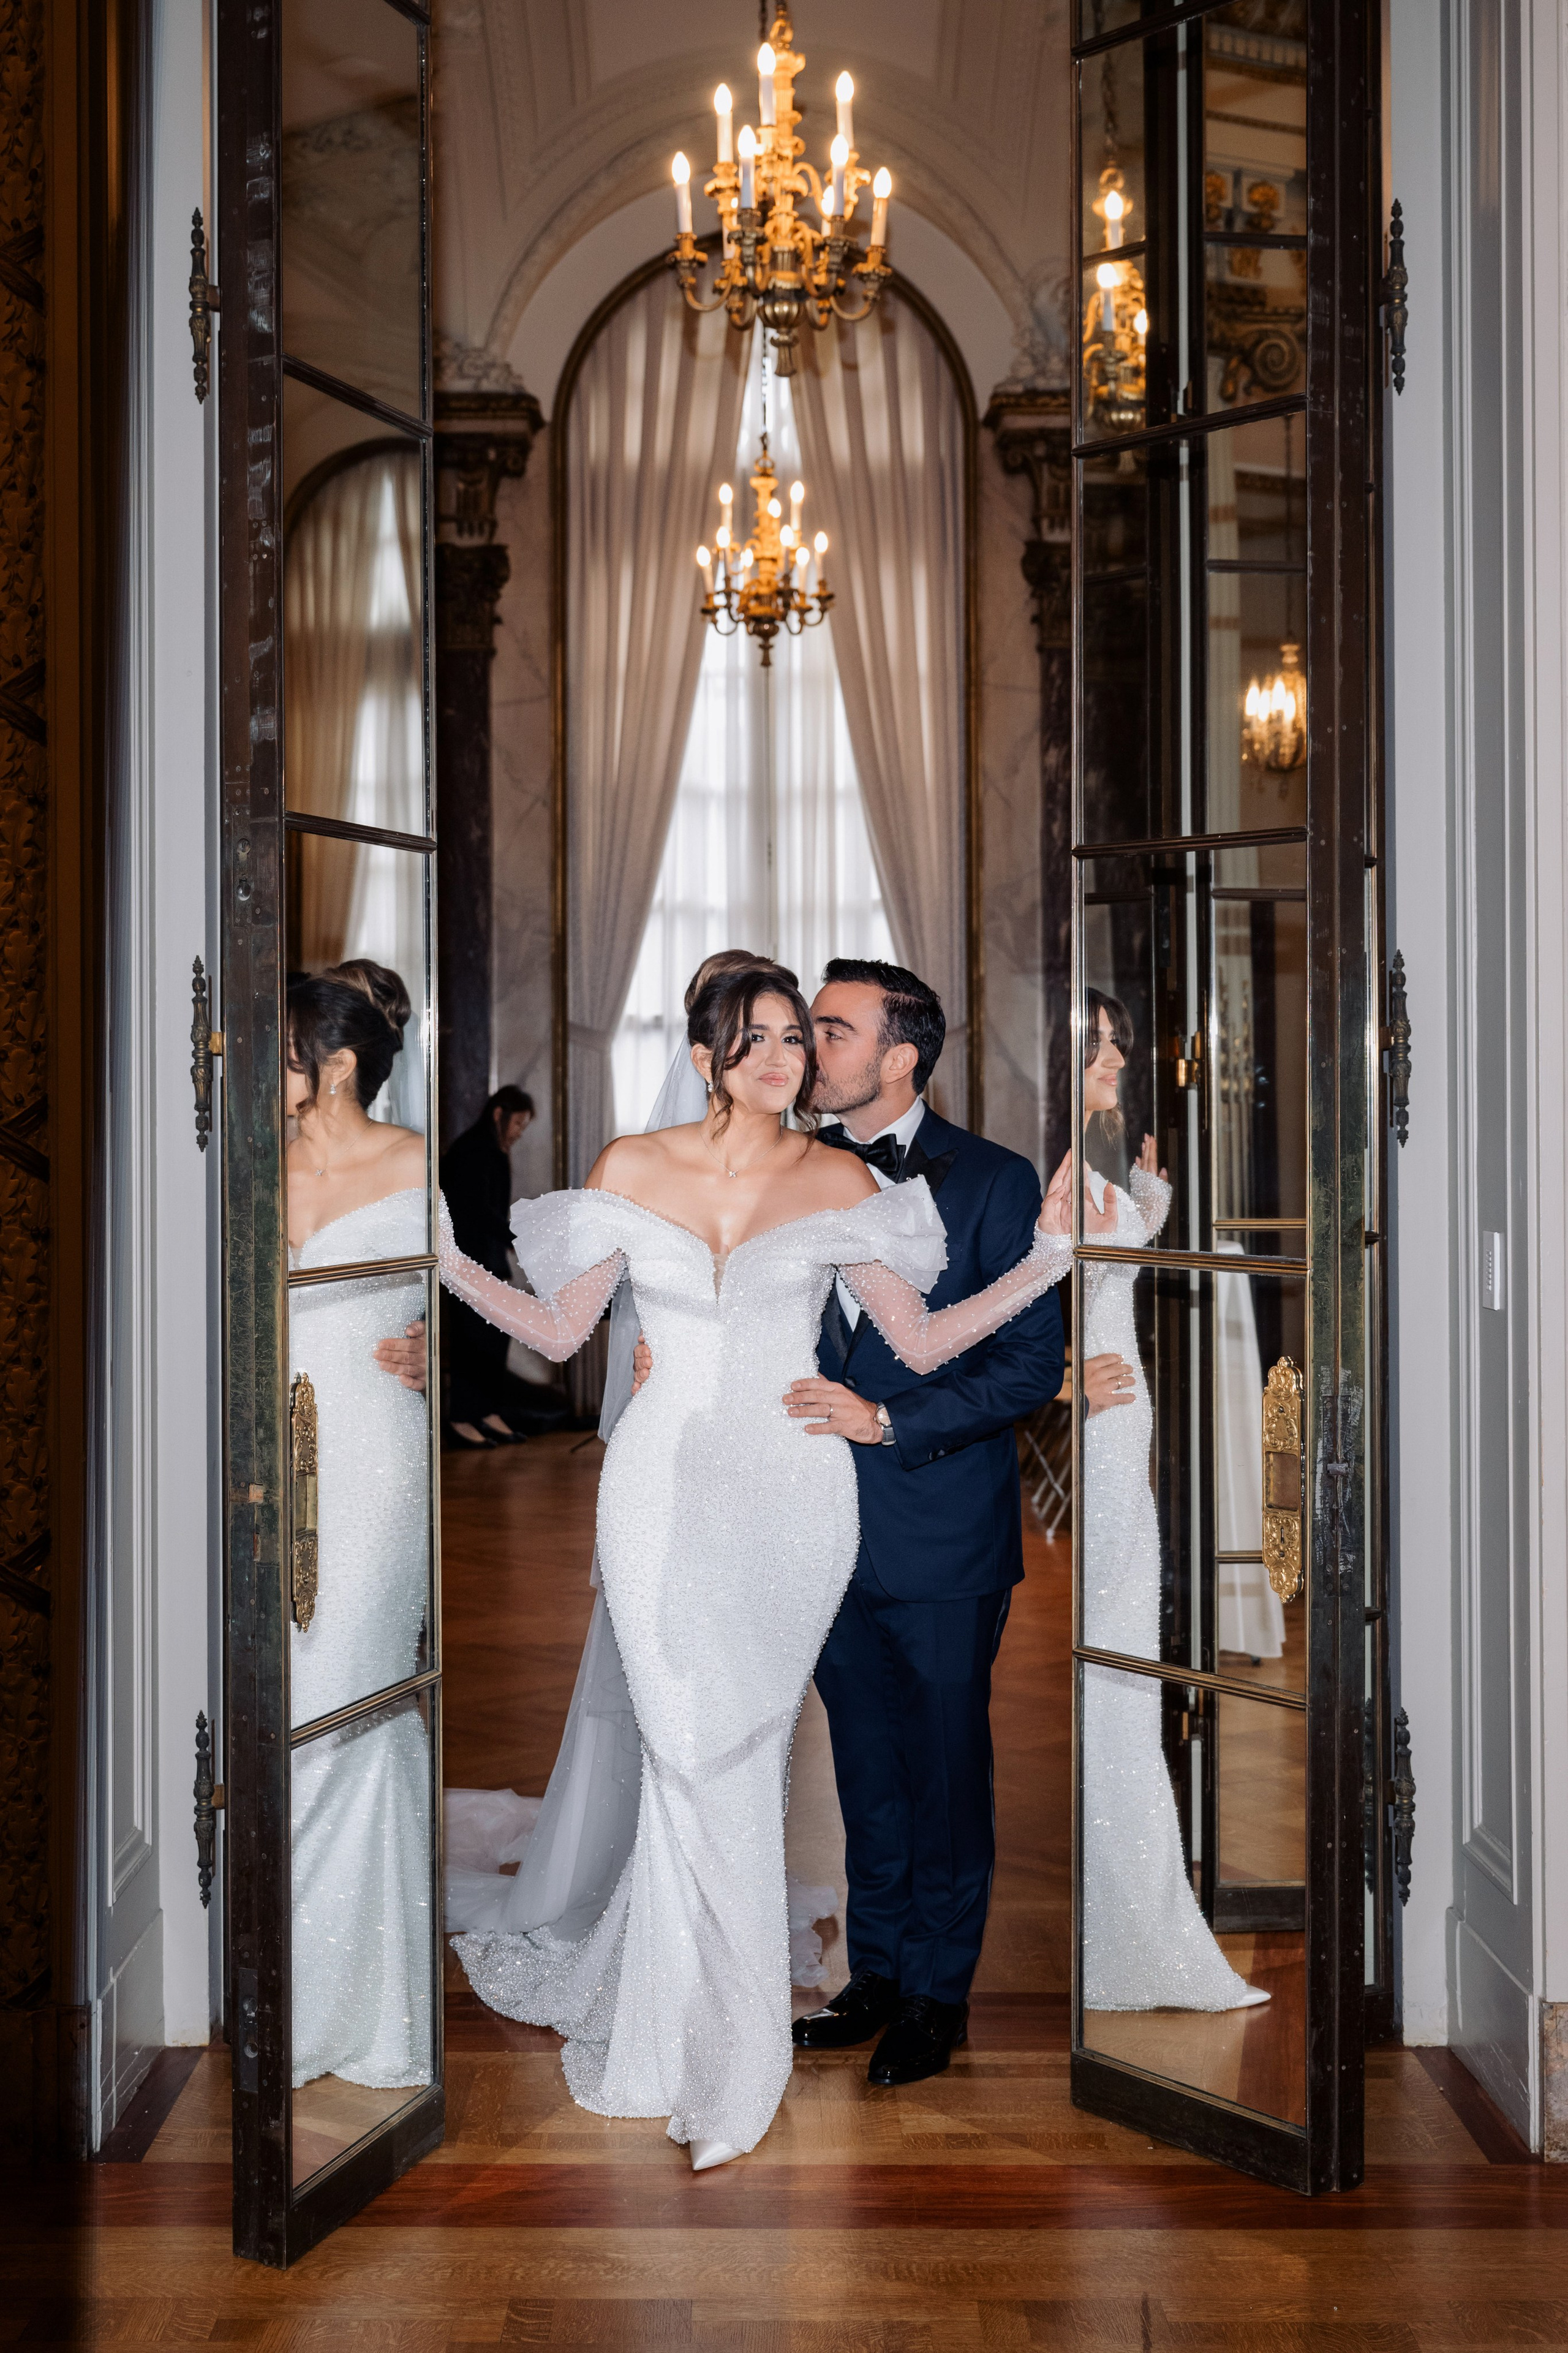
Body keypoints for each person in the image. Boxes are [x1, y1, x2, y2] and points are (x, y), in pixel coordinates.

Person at [431, 965, 1070, 2170]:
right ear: (702, 1054)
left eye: (806, 1034)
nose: (787, 1054)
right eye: (762, 1036)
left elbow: (929, 1342)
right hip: (662, 1493)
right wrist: (448, 1259)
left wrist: (1048, 1261)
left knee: (763, 1755)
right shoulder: (630, 1165)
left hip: (809, 1504)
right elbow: (565, 1333)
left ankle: (781, 2032)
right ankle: (715, 2013)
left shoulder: (853, 1182)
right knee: (688, 1751)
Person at [778, 959, 1067, 2087]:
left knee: (946, 1770)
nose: (810, 1048)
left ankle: (938, 1999)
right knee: (864, 1765)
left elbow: (1027, 1367)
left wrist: (890, 1421)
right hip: (815, 1526)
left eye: (833, 1031)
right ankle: (878, 1974)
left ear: (899, 1056)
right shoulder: (789, 1171)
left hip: (941, 1529)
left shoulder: (995, 1182)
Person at [1039, 989, 1267, 2014]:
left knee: (1128, 1647)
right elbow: (1025, 1298)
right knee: (1119, 1658)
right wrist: (1059, 1382)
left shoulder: (1097, 1167)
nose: (1118, 1054)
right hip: (1105, 1410)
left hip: (1127, 1418)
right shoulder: (1060, 1179)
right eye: (1097, 1044)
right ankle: (1132, 1922)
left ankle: (1134, 1910)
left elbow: (1110, 1264)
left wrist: (1150, 1199)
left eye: (1117, 1038)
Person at [285, 959, 435, 2095]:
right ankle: (290, 1981)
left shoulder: (417, 1161)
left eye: (287, 1049)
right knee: (282, 1702)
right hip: (266, 1462)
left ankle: (353, 2006)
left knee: (353, 1696)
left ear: (336, 1065)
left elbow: (477, 1301)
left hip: (376, 1461)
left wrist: (436, 1348)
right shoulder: (253, 1157)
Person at [439, 1086, 535, 1448]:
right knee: (472, 1344)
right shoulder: (472, 1151)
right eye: (519, 1124)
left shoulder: (492, 1149)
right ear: (499, 1114)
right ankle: (463, 1417)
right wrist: (517, 1239)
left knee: (494, 1339)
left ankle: (486, 1411)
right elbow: (475, 1212)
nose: (519, 1132)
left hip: (488, 1260)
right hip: (468, 1263)